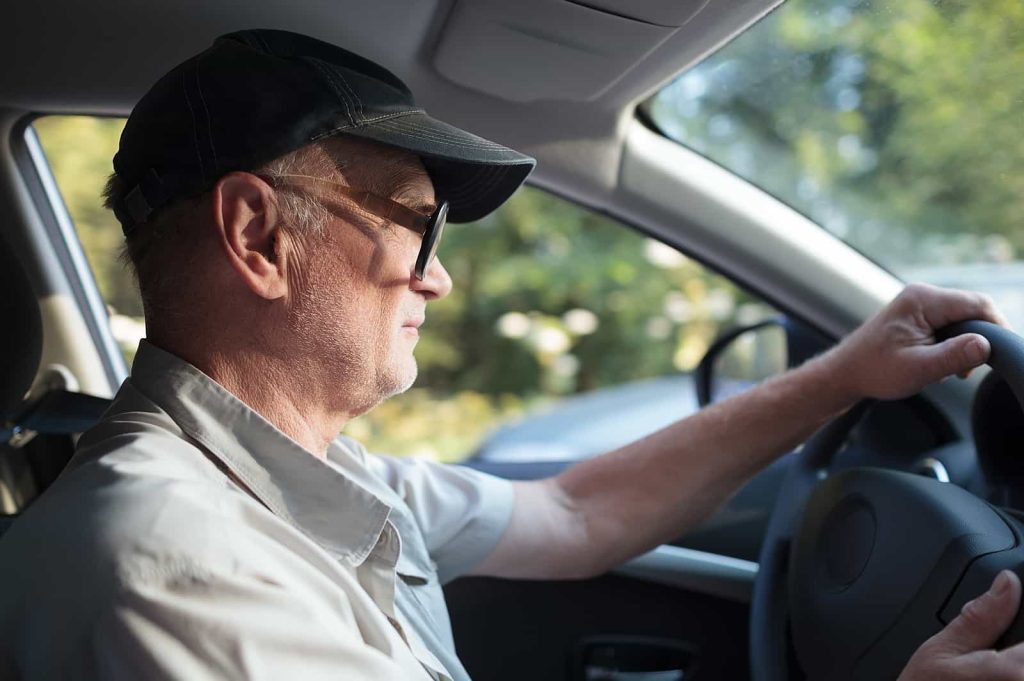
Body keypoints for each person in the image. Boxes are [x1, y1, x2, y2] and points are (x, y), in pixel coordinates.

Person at [0, 28, 1019, 681]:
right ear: (260, 239)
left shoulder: (301, 476)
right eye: (413, 224)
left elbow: (574, 516)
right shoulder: (169, 562)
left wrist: (842, 374)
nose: (436, 277)